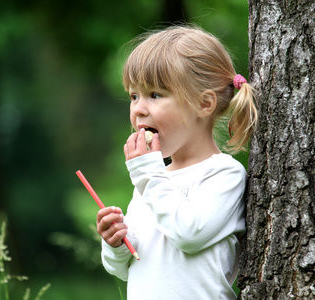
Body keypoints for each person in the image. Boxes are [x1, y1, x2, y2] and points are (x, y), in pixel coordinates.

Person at [96, 25, 258, 299]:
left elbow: (189, 234)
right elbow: (126, 269)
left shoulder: (224, 174)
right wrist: (116, 244)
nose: (139, 108)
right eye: (134, 96)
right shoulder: (150, 181)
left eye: (155, 95)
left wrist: (147, 174)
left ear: (203, 104)